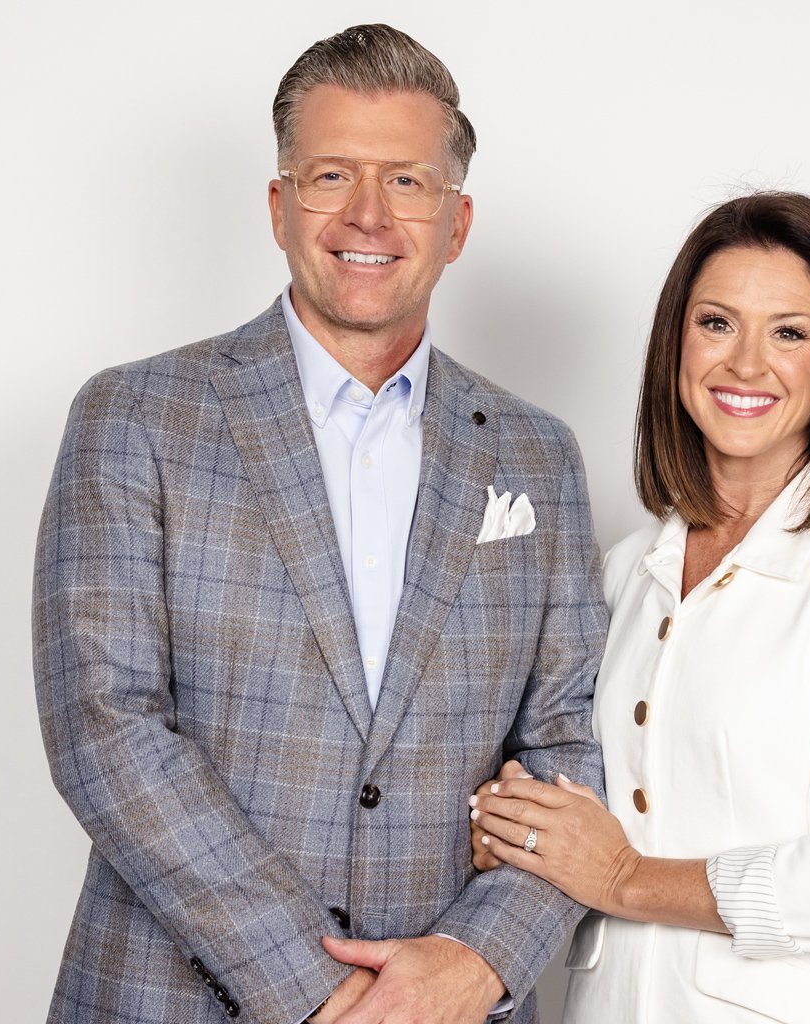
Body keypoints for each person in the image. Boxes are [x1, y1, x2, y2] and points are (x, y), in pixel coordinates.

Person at [32, 23, 607, 1024]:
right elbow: (104, 726)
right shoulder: (133, 418)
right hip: (168, 999)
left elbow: (565, 747)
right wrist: (321, 993)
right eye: (331, 175)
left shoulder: (538, 456)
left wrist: (477, 962)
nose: (367, 214)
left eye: (407, 182)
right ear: (278, 206)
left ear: (458, 221)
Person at [470, 192, 810, 1023]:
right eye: (717, 323)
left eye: (789, 333)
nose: (746, 364)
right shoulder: (623, 572)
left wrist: (625, 878)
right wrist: (513, 828)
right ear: (677, 343)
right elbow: (570, 790)